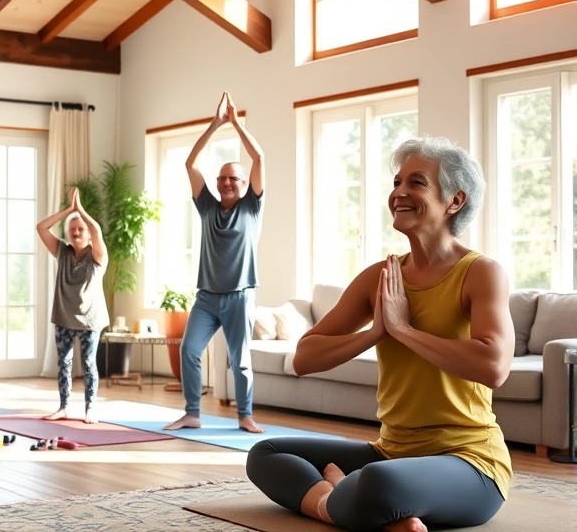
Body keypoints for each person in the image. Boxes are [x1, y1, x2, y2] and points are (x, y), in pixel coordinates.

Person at [246, 136, 514, 532]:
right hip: (391, 452)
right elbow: (304, 358)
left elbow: (494, 366)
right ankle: (352, 507)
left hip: (469, 462)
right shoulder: (381, 277)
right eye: (396, 183)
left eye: (416, 183)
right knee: (265, 453)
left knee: (378, 483)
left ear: (454, 201)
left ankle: (340, 497)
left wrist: (404, 330)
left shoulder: (480, 272)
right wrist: (376, 333)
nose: (399, 193)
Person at [164, 92, 266, 433]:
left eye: (232, 179)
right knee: (189, 351)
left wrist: (236, 124)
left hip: (240, 295)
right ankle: (192, 412)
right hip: (207, 297)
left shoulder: (252, 206)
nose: (225, 183)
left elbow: (259, 157)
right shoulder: (207, 206)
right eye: (221, 178)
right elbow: (190, 163)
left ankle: (245, 415)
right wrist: (214, 124)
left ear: (243, 184)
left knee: (240, 362)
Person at [37, 187, 109, 424]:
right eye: (72, 229)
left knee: (89, 364)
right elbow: (41, 227)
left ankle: (90, 408)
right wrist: (68, 211)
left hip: (90, 319)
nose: (77, 232)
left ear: (88, 235)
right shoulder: (62, 252)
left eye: (81, 230)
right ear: (67, 234)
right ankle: (64, 407)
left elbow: (97, 229)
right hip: (64, 317)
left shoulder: (98, 255)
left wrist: (81, 211)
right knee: (64, 364)